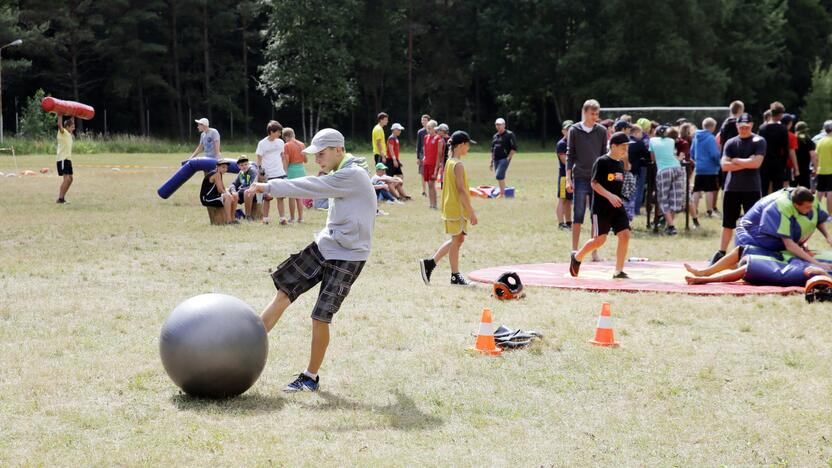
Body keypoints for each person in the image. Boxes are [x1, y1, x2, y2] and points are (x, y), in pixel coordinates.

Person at [247, 128, 376, 392]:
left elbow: (311, 186)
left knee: (320, 316)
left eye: (321, 153)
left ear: (338, 150)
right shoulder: (342, 171)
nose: (317, 159)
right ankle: (245, 347)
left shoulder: (351, 174)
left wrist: (270, 185)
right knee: (284, 292)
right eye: (315, 154)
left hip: (349, 256)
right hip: (326, 244)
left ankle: (310, 377)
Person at [686, 187, 832, 285]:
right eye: (806, 208)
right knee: (743, 251)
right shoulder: (780, 207)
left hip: (793, 261)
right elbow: (789, 244)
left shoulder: (809, 203)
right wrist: (817, 264)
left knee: (749, 264)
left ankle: (705, 278)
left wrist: (818, 263)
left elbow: (816, 219)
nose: (809, 210)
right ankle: (705, 273)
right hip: (759, 238)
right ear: (795, 204)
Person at [569, 132, 632, 279]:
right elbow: (594, 183)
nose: (625, 150)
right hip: (601, 208)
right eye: (623, 146)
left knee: (625, 235)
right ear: (613, 146)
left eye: (627, 147)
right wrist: (610, 196)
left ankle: (618, 271)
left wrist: (617, 197)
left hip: (617, 206)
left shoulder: (620, 164)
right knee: (600, 240)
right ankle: (577, 257)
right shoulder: (602, 161)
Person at [419, 131, 478, 286]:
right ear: (461, 145)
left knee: (458, 239)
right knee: (456, 239)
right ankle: (453, 274)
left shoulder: (450, 161)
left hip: (452, 207)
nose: (469, 148)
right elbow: (461, 190)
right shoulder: (457, 165)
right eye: (467, 144)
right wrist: (471, 211)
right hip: (456, 209)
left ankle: (432, 264)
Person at [711, 113, 766, 264]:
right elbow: (724, 165)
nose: (743, 130)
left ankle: (753, 252)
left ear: (752, 126)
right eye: (741, 127)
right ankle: (721, 252)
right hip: (731, 189)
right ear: (737, 126)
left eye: (746, 127)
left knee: (752, 224)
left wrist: (735, 161)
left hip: (752, 189)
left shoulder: (758, 141)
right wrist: (746, 162)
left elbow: (756, 164)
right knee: (728, 223)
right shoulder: (730, 142)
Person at [566, 99, 608, 260]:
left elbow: (604, 155)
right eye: (592, 114)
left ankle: (593, 251)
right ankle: (575, 250)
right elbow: (570, 156)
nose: (595, 117)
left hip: (597, 178)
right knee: (578, 214)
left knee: (595, 216)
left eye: (597, 114)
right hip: (580, 176)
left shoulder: (602, 131)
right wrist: (568, 179)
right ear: (585, 113)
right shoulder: (574, 130)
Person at [650, 125, 685, 235]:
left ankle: (671, 226)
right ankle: (670, 225)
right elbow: (672, 154)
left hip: (663, 170)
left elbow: (653, 159)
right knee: (674, 198)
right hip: (677, 168)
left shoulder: (652, 140)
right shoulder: (671, 141)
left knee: (663, 199)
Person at [690, 118, 722, 227]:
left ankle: (695, 210)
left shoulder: (696, 137)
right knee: (709, 189)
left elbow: (692, 152)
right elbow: (714, 154)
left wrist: (697, 160)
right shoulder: (710, 138)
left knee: (697, 189)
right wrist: (718, 163)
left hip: (699, 167)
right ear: (712, 127)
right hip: (710, 168)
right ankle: (709, 210)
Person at [256, 120, 288, 225]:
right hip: (267, 174)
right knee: (267, 198)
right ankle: (265, 219)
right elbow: (259, 159)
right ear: (271, 132)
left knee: (280, 197)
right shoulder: (262, 143)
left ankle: (282, 219)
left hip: (280, 173)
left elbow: (282, 156)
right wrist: (261, 173)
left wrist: (284, 170)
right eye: (278, 132)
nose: (280, 134)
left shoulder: (280, 142)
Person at [758, 102, 791, 195]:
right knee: (777, 191)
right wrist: (783, 165)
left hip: (763, 162)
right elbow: (785, 149)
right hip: (777, 163)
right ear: (780, 114)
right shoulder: (783, 129)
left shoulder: (762, 128)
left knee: (763, 189)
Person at [200, 159, 238, 224]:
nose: (225, 169)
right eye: (223, 167)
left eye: (226, 168)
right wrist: (228, 195)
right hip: (206, 198)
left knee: (235, 195)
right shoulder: (216, 174)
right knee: (227, 197)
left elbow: (223, 188)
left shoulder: (219, 174)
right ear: (217, 166)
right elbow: (220, 190)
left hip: (213, 196)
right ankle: (229, 221)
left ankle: (233, 218)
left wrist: (230, 194)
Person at [283, 128, 307, 223]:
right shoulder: (302, 144)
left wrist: (285, 172)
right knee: (299, 196)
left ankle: (292, 218)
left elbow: (287, 161)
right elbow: (306, 160)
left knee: (291, 196)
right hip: (301, 170)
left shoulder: (287, 145)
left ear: (286, 136)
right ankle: (301, 218)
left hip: (292, 170)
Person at [490, 117, 518, 197]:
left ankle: (502, 194)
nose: (498, 126)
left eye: (500, 124)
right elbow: (493, 149)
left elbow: (514, 148)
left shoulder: (509, 134)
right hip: (496, 159)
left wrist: (508, 158)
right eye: (496, 124)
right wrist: (491, 161)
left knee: (499, 175)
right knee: (500, 176)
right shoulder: (495, 136)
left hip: (504, 158)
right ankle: (502, 191)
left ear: (504, 125)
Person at [629, 122, 651, 216]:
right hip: (636, 170)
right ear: (636, 132)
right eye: (641, 133)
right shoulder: (639, 143)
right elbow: (648, 155)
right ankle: (636, 210)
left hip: (624, 169)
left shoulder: (625, 141)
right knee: (638, 189)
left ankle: (627, 209)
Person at [556, 120, 574, 230]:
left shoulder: (574, 143)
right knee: (562, 199)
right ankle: (560, 223)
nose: (570, 132)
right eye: (568, 130)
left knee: (568, 200)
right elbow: (565, 161)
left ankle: (568, 222)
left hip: (572, 176)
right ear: (563, 131)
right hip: (564, 176)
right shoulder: (562, 144)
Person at [55, 114, 75, 204]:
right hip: (62, 159)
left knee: (70, 179)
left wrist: (73, 113)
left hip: (68, 159)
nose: (73, 129)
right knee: (66, 179)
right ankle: (60, 198)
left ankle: (62, 198)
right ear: (67, 127)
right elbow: (59, 125)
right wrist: (59, 114)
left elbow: (71, 121)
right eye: (72, 127)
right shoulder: (62, 132)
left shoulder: (69, 134)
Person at [422, 120, 441, 209]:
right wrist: (424, 157)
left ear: (434, 128)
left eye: (430, 129)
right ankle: (431, 204)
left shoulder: (438, 139)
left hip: (433, 165)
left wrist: (437, 167)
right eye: (427, 129)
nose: (428, 130)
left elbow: (439, 154)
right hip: (426, 164)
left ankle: (435, 204)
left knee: (431, 184)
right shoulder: (426, 137)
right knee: (429, 185)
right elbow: (425, 149)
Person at [793, 121, 816, 190]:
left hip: (793, 169)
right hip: (804, 169)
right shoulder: (808, 140)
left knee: (791, 190)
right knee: (805, 191)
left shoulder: (792, 139)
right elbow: (813, 155)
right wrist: (815, 168)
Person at [816, 120, 832, 214]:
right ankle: (830, 214)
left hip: (821, 170)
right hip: (831, 170)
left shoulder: (820, 141)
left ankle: (814, 212)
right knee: (830, 192)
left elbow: (816, 156)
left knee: (819, 192)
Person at [416, 114, 430, 197]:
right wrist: (418, 157)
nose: (423, 122)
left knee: (430, 172)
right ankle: (424, 190)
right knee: (422, 173)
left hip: (430, 153)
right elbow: (418, 145)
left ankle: (430, 189)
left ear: (428, 121)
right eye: (422, 120)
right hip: (422, 154)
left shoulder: (432, 131)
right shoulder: (420, 132)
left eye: (425, 120)